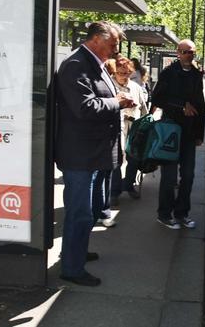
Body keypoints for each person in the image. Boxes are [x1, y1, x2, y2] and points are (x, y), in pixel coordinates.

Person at [55, 21, 134, 286]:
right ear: (96, 40)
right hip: (80, 155)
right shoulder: (76, 65)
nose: (115, 49)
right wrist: (118, 102)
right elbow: (84, 107)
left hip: (92, 152)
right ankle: (72, 268)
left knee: (86, 211)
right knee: (80, 213)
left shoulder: (93, 63)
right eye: (112, 44)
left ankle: (76, 253)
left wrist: (119, 100)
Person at [151, 39, 205, 229]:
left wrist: (200, 133)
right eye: (185, 52)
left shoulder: (197, 75)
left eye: (192, 52)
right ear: (178, 53)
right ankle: (164, 214)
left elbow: (201, 105)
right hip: (170, 131)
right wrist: (181, 106)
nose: (189, 56)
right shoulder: (168, 73)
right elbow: (157, 98)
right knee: (169, 177)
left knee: (189, 175)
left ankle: (182, 213)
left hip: (189, 133)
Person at [110, 55, 149, 205]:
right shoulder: (110, 86)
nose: (123, 76)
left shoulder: (136, 88)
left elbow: (144, 110)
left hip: (133, 129)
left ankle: (129, 185)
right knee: (116, 160)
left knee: (134, 158)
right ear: (114, 72)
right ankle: (114, 191)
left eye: (126, 73)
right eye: (119, 73)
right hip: (115, 128)